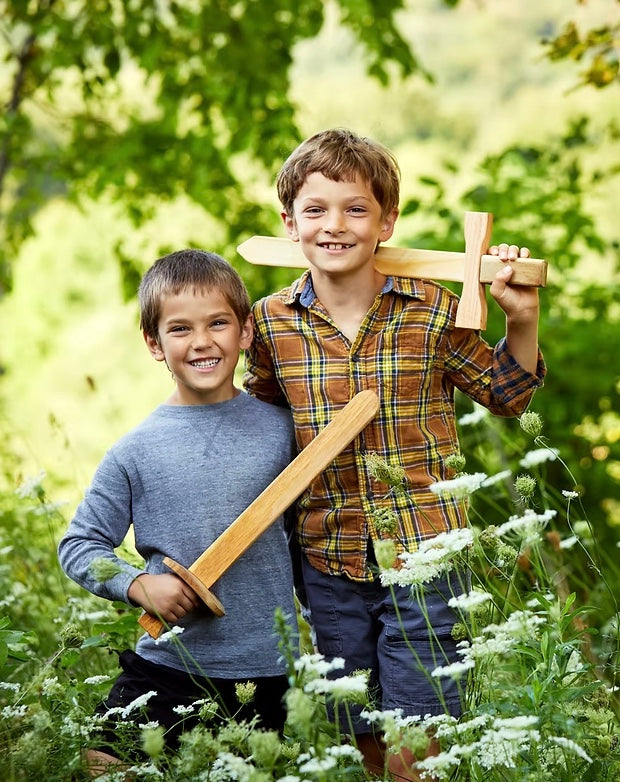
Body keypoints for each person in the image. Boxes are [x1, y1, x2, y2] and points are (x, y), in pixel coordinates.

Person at [244, 128, 546, 781]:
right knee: (361, 735)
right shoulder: (268, 324)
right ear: (288, 222)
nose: (335, 225)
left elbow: (507, 395)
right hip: (327, 560)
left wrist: (521, 319)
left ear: (387, 221)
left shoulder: (434, 311)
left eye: (356, 209)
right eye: (316, 210)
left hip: (426, 557)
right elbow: (261, 424)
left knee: (419, 737)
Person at [58, 249, 298, 776]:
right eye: (180, 329)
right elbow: (79, 545)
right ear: (154, 343)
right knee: (101, 762)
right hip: (170, 665)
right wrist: (141, 586)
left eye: (218, 323)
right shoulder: (135, 451)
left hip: (270, 669)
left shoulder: (285, 429)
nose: (202, 342)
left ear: (246, 331)